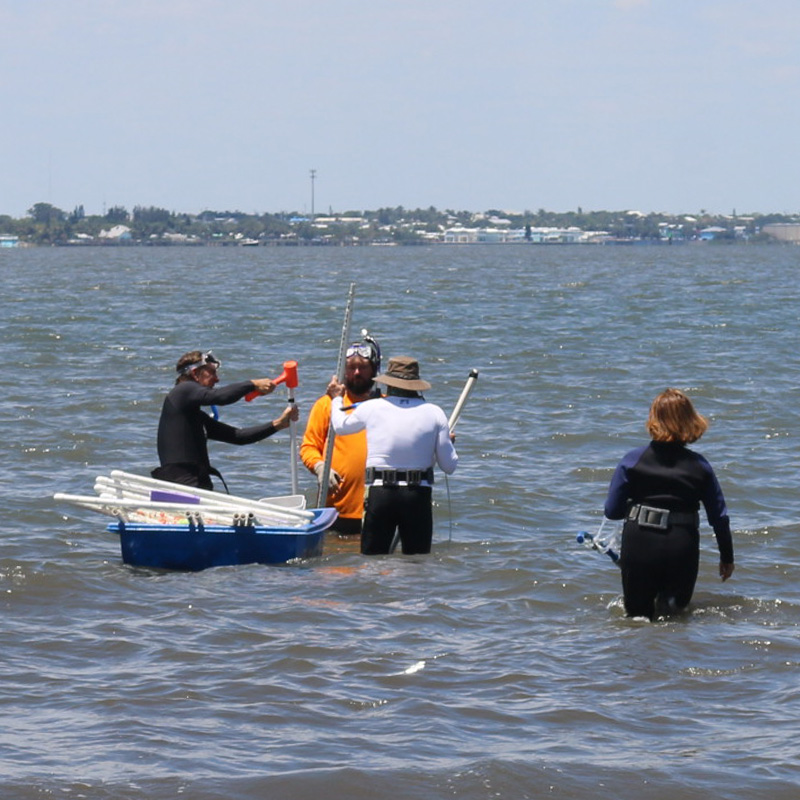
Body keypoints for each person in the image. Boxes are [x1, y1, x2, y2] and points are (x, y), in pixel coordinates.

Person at [603, 388, 734, 620]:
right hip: (681, 545)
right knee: (675, 618)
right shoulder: (700, 466)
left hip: (639, 543)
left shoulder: (632, 460)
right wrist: (727, 557)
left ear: (653, 419)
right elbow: (719, 518)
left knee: (637, 619)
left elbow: (612, 511)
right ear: (690, 420)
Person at [330, 355, 457, 555]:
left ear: (388, 383)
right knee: (416, 565)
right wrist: (446, 443)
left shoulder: (371, 407)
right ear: (416, 385)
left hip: (381, 495)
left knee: (372, 562)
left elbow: (340, 426)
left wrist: (336, 398)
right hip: (417, 497)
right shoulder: (434, 412)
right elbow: (449, 466)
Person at [153, 350, 298, 491]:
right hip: (181, 483)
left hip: (196, 481)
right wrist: (252, 384)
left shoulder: (194, 416)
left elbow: (238, 436)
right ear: (195, 374)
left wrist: (278, 424)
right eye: (212, 373)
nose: (217, 379)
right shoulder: (182, 390)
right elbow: (220, 397)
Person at [300, 335, 382, 536]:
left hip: (378, 506)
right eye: (351, 368)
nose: (356, 373)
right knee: (335, 563)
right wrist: (320, 467)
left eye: (362, 367)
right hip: (335, 509)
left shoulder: (385, 405)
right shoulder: (327, 405)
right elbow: (309, 447)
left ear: (374, 369)